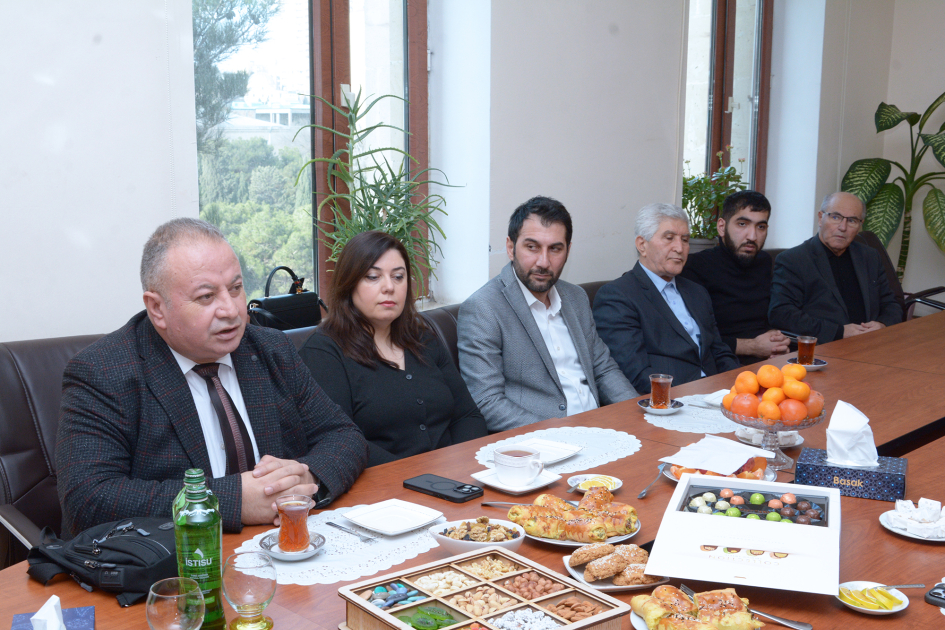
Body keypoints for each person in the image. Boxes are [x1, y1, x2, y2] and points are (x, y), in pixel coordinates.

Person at [56, 218, 368, 537]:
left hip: (282, 542)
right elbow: (87, 499)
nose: (231, 310)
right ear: (157, 308)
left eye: (235, 289)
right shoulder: (104, 373)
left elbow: (343, 435)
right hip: (181, 566)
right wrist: (229, 501)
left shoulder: (271, 349)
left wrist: (306, 480)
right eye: (206, 297)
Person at [298, 231, 487, 467]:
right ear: (349, 284)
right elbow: (341, 442)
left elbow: (467, 416)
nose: (389, 287)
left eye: (398, 277)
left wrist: (463, 465)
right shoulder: (324, 352)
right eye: (372, 277)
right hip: (382, 488)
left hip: (452, 477)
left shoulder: (422, 338)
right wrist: (415, 477)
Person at [457, 196, 637, 432]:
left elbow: (603, 369)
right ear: (511, 248)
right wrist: (561, 435)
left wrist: (638, 413)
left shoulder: (576, 298)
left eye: (555, 249)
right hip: (542, 445)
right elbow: (487, 403)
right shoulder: (484, 308)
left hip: (601, 428)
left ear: (568, 250)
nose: (543, 262)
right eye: (532, 247)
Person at [593, 202, 740, 393]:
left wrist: (741, 388)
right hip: (672, 403)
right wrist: (690, 401)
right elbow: (635, 375)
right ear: (642, 245)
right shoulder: (617, 296)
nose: (679, 248)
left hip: (720, 396)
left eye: (685, 240)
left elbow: (719, 352)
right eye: (669, 238)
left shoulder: (697, 292)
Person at [768, 192, 902, 343]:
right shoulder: (794, 260)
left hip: (872, 343)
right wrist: (839, 332)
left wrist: (883, 325)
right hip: (825, 348)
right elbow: (782, 314)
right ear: (820, 218)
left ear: (859, 226)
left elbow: (891, 303)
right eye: (835, 217)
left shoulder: (869, 256)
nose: (842, 227)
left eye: (852, 220)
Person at [680, 190, 789, 364]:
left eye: (760, 227)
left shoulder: (765, 261)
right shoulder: (695, 266)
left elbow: (773, 315)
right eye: (742, 224)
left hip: (770, 359)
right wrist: (752, 346)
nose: (752, 236)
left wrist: (776, 340)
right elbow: (693, 337)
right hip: (722, 362)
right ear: (721, 227)